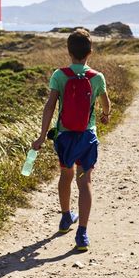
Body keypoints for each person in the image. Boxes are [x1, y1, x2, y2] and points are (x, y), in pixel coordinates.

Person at [32, 28, 111, 251]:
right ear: (90, 52)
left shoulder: (59, 75)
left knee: (65, 175)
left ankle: (66, 217)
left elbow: (49, 107)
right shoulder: (97, 77)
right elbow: (106, 103)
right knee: (84, 182)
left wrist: (41, 135)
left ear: (68, 51)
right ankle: (82, 234)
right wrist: (105, 116)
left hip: (65, 136)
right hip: (87, 136)